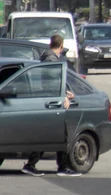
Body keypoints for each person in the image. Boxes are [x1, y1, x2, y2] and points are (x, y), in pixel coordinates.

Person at [22, 35, 81, 177]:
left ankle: (32, 164)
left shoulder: (47, 58)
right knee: (62, 135)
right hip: (52, 103)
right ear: (61, 46)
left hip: (48, 102)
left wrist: (66, 92)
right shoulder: (51, 60)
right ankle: (63, 167)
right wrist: (64, 97)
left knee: (48, 135)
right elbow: (52, 83)